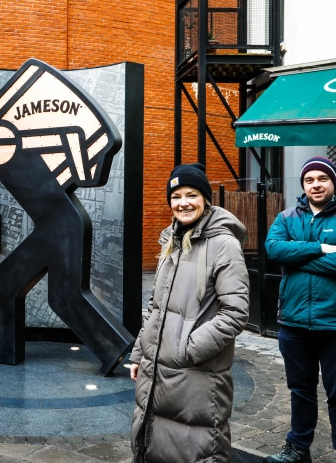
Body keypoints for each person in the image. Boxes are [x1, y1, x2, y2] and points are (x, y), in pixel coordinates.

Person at [129, 163, 249, 463]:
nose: (183, 203)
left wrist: (189, 350)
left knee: (198, 445)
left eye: (192, 194)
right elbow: (156, 307)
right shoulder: (171, 241)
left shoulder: (224, 244)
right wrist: (139, 353)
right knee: (155, 440)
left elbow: (235, 311)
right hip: (158, 367)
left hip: (197, 373)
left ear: (206, 199)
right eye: (176, 195)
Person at [264, 156, 336, 463]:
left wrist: (296, 256)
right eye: (309, 180)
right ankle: (298, 448)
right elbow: (273, 249)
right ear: (303, 184)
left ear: (333, 182)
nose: (316, 184)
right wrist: (321, 248)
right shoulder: (286, 218)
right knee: (300, 391)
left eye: (322, 178)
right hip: (294, 323)